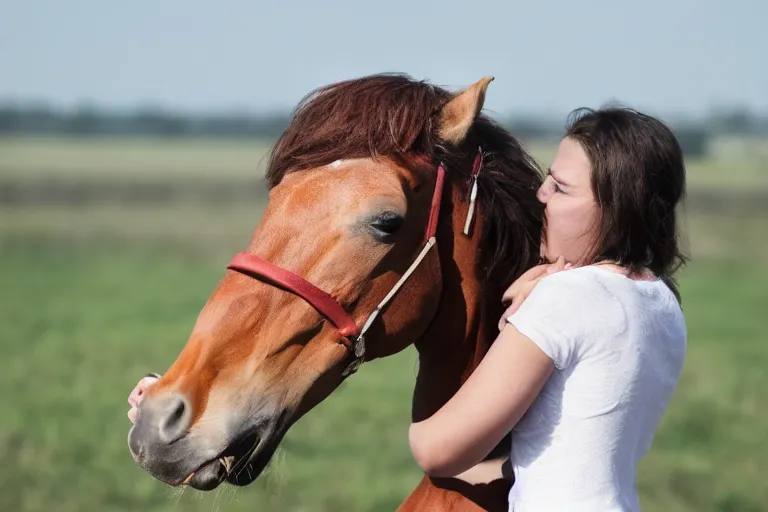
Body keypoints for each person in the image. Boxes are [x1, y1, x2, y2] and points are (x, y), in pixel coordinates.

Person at [408, 106, 688, 511]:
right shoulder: (662, 300)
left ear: (615, 207)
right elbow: (575, 452)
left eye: (560, 188)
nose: (540, 195)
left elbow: (436, 450)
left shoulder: (565, 299)